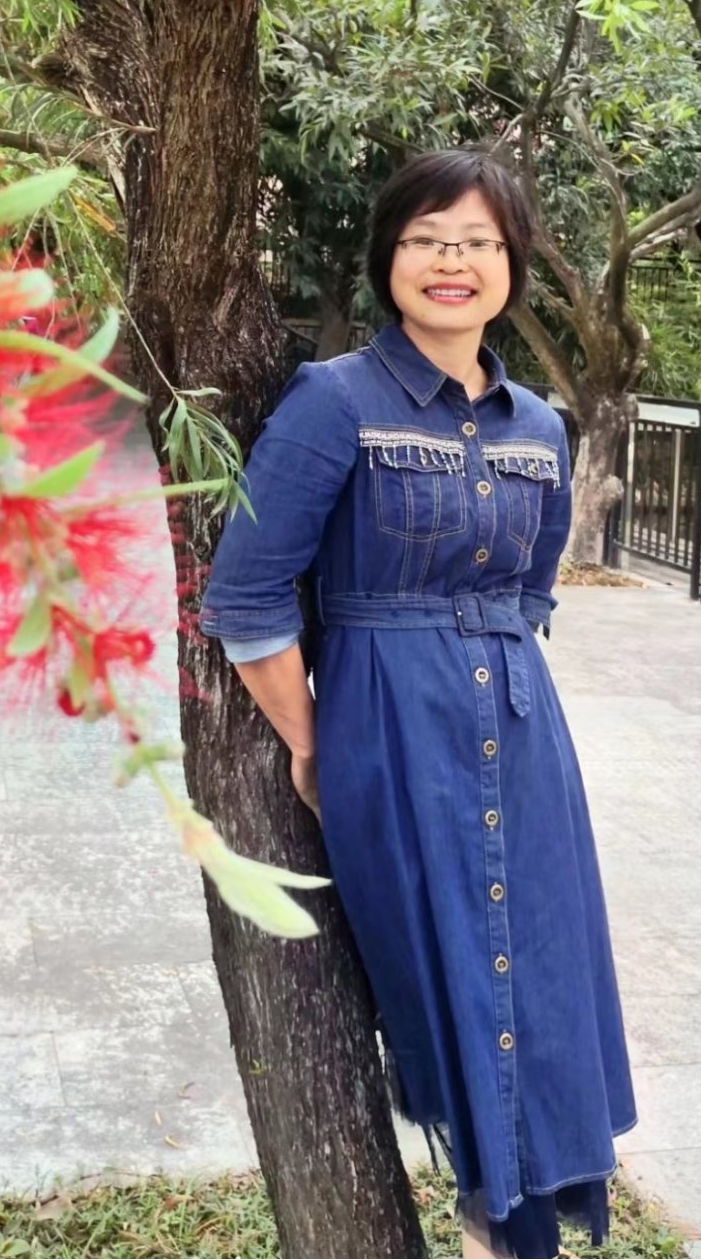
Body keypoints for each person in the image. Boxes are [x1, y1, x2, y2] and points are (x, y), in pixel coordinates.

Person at [199, 147, 636, 1260]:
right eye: (428, 239)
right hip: (389, 733)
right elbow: (246, 595)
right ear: (388, 257)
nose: (453, 261)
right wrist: (315, 742)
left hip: (525, 740)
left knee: (542, 973)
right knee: (443, 981)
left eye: (478, 242)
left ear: (512, 264)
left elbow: (529, 593)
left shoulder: (539, 428)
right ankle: (489, 1214)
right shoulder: (334, 401)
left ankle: (505, 1236)